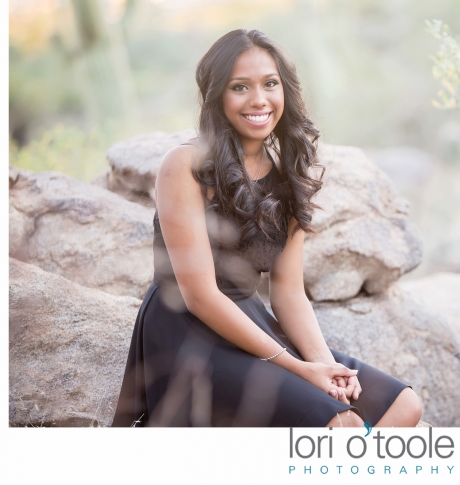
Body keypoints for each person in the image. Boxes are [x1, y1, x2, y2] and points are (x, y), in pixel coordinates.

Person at [112, 29, 422, 427]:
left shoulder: (288, 177)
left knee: (404, 406)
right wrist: (297, 368)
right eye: (240, 87)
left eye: (270, 84)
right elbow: (200, 295)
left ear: (285, 91)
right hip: (188, 332)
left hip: (252, 323)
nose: (258, 99)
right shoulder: (184, 166)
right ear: (216, 96)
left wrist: (326, 368)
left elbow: (290, 293)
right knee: (340, 425)